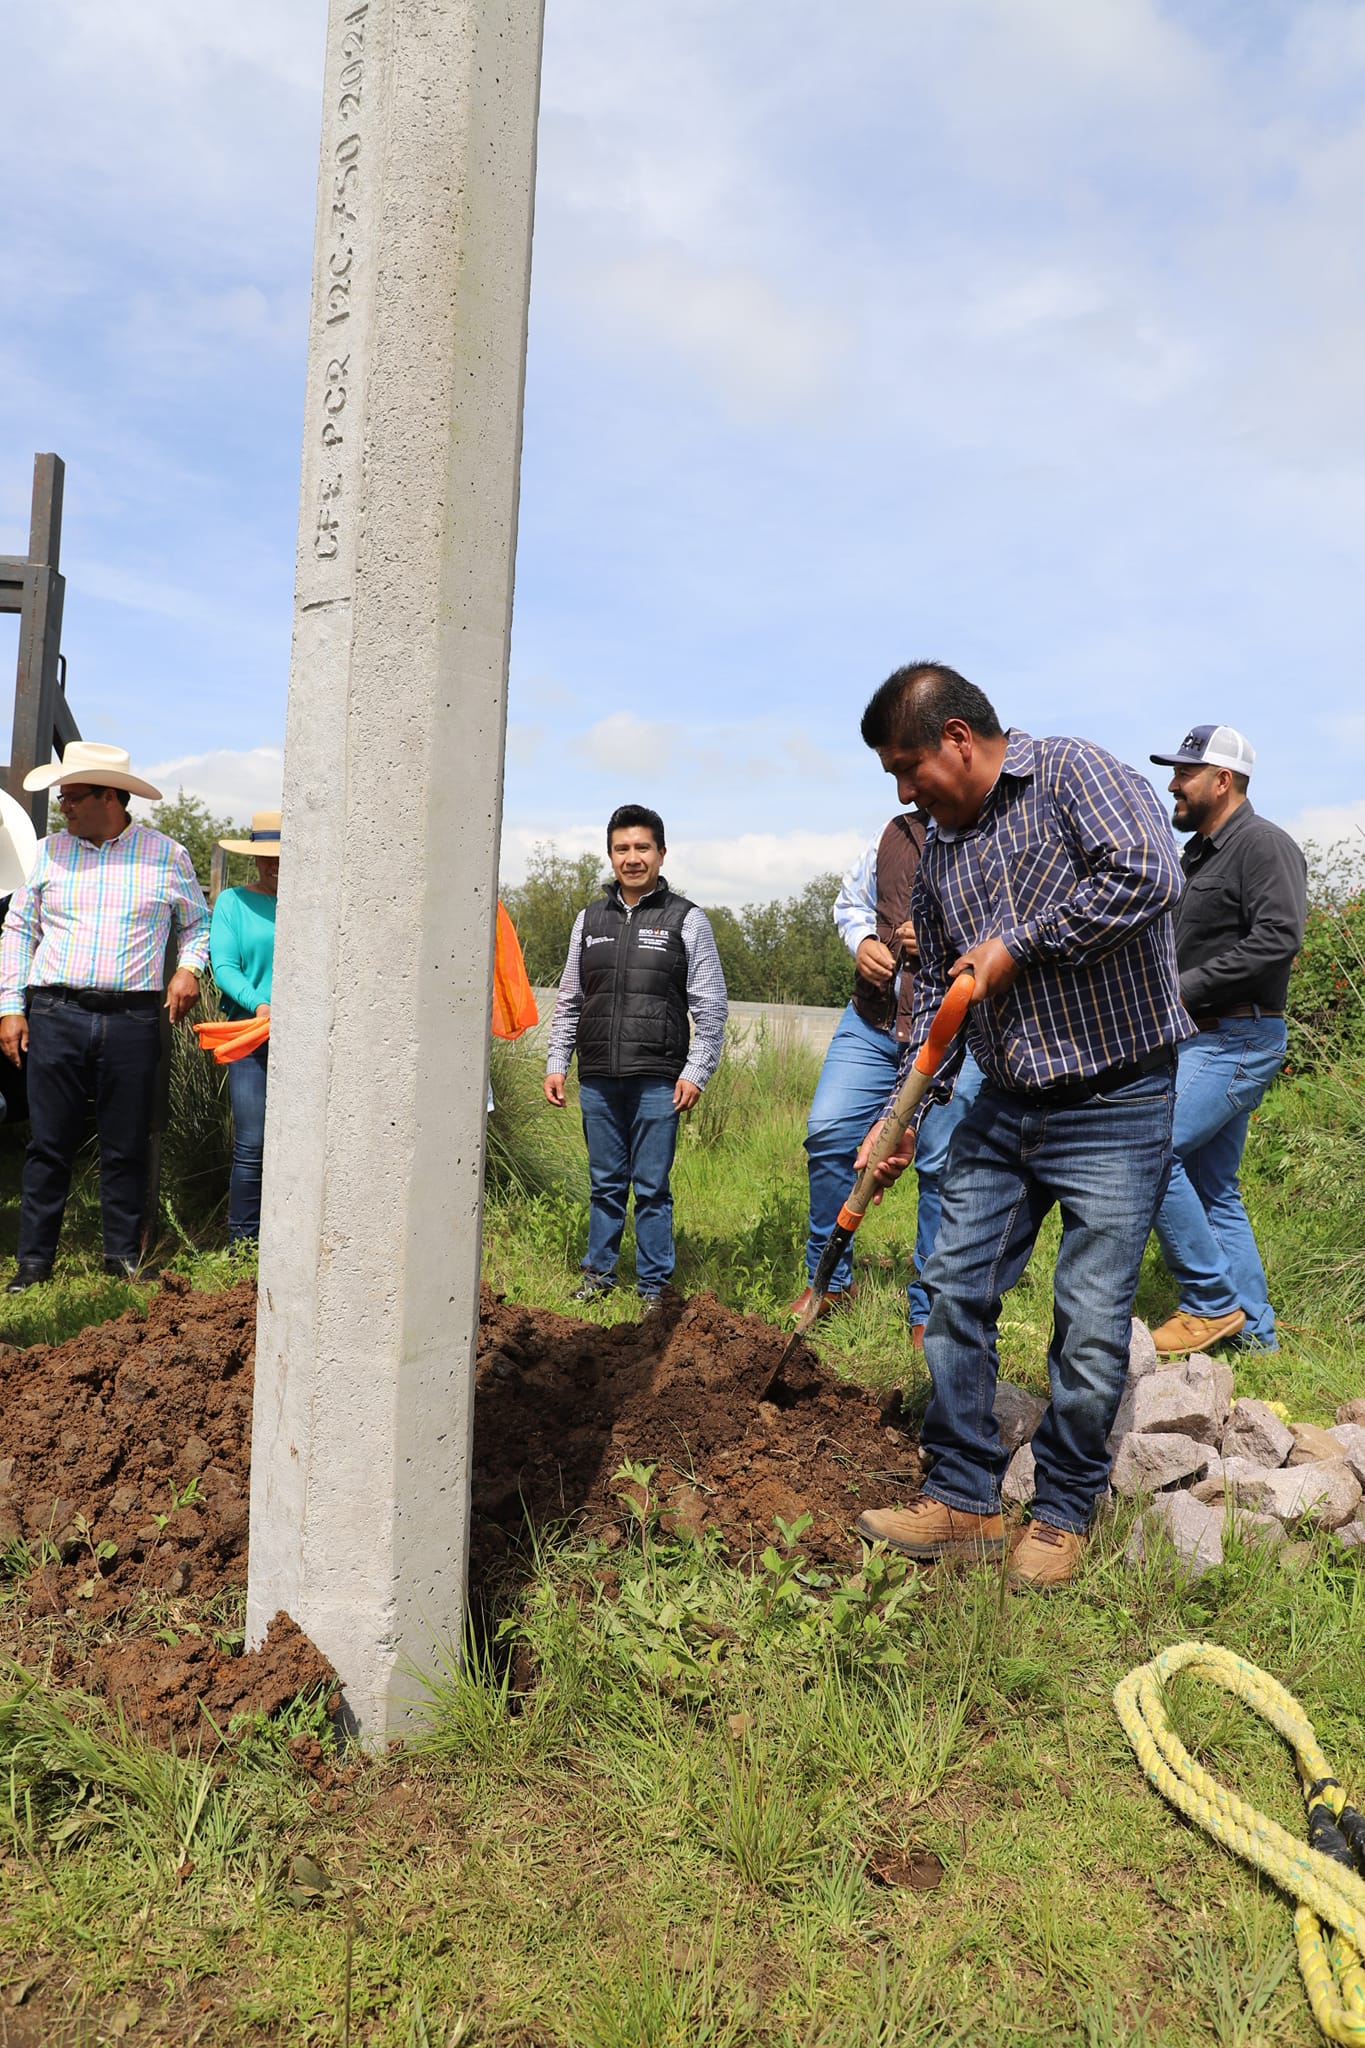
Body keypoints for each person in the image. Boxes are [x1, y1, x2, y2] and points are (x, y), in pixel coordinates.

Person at [848, 664, 1190, 1590]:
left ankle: (1062, 1508)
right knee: (953, 1287)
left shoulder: (1074, 774)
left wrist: (1020, 944)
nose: (904, 789)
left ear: (958, 738)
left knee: (1086, 1322)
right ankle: (961, 1494)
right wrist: (903, 1115)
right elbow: (940, 1006)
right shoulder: (939, 848)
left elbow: (1148, 875)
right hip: (1004, 1104)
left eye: (908, 766)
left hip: (1116, 1101)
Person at [0, 741, 210, 1288]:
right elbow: (19, 930)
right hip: (56, 1011)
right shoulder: (47, 853)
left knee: (125, 1140)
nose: (63, 807)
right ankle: (33, 1263)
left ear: (110, 797)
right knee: (49, 1142)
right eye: (63, 798)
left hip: (133, 1018)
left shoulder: (167, 854)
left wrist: (187, 969)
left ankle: (121, 1257)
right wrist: (10, 1007)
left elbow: (197, 924)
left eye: (72, 797)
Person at [1145, 727, 1307, 1359]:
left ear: (1223, 780)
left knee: (1153, 1154)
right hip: (1203, 1038)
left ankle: (1209, 1303)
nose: (1172, 784)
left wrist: (1184, 990)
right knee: (1214, 1187)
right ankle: (1257, 1337)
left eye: (1185, 773)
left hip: (1237, 1035)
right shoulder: (1199, 856)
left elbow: (1278, 939)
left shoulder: (1265, 846)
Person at [791, 814, 983, 1342]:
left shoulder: (996, 832)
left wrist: (946, 941)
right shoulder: (892, 834)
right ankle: (829, 1282)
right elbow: (849, 903)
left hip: (953, 1027)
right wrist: (862, 942)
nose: (907, 788)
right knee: (829, 1133)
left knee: (940, 1163)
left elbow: (1011, 930)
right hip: (873, 1020)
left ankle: (929, 1306)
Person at [543, 804, 727, 1305]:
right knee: (604, 1184)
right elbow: (570, 998)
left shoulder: (687, 920)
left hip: (657, 1080)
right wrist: (557, 1061)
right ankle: (597, 1277)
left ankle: (653, 1288)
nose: (632, 858)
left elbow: (710, 1004)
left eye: (642, 847)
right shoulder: (589, 919)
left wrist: (697, 1071)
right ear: (610, 854)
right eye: (622, 848)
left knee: (650, 1186)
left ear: (661, 854)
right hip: (599, 1074)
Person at [210, 811, 281, 1246]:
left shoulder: (319, 905)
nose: (274, 865)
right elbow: (224, 967)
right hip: (250, 1038)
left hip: (313, 1043)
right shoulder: (232, 902)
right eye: (266, 857)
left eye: (283, 856)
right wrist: (260, 1003)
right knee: (252, 1145)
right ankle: (243, 1244)